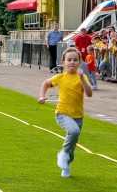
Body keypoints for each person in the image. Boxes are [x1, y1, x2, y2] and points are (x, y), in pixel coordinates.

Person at [38, 47, 92, 178]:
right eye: (69, 60)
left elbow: (89, 94)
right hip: (62, 113)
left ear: (80, 62)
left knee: (72, 147)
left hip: (78, 115)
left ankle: (66, 165)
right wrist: (41, 96)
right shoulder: (60, 77)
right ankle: (63, 153)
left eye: (75, 60)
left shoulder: (82, 77)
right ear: (64, 63)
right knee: (73, 131)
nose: (72, 62)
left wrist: (82, 79)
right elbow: (45, 83)